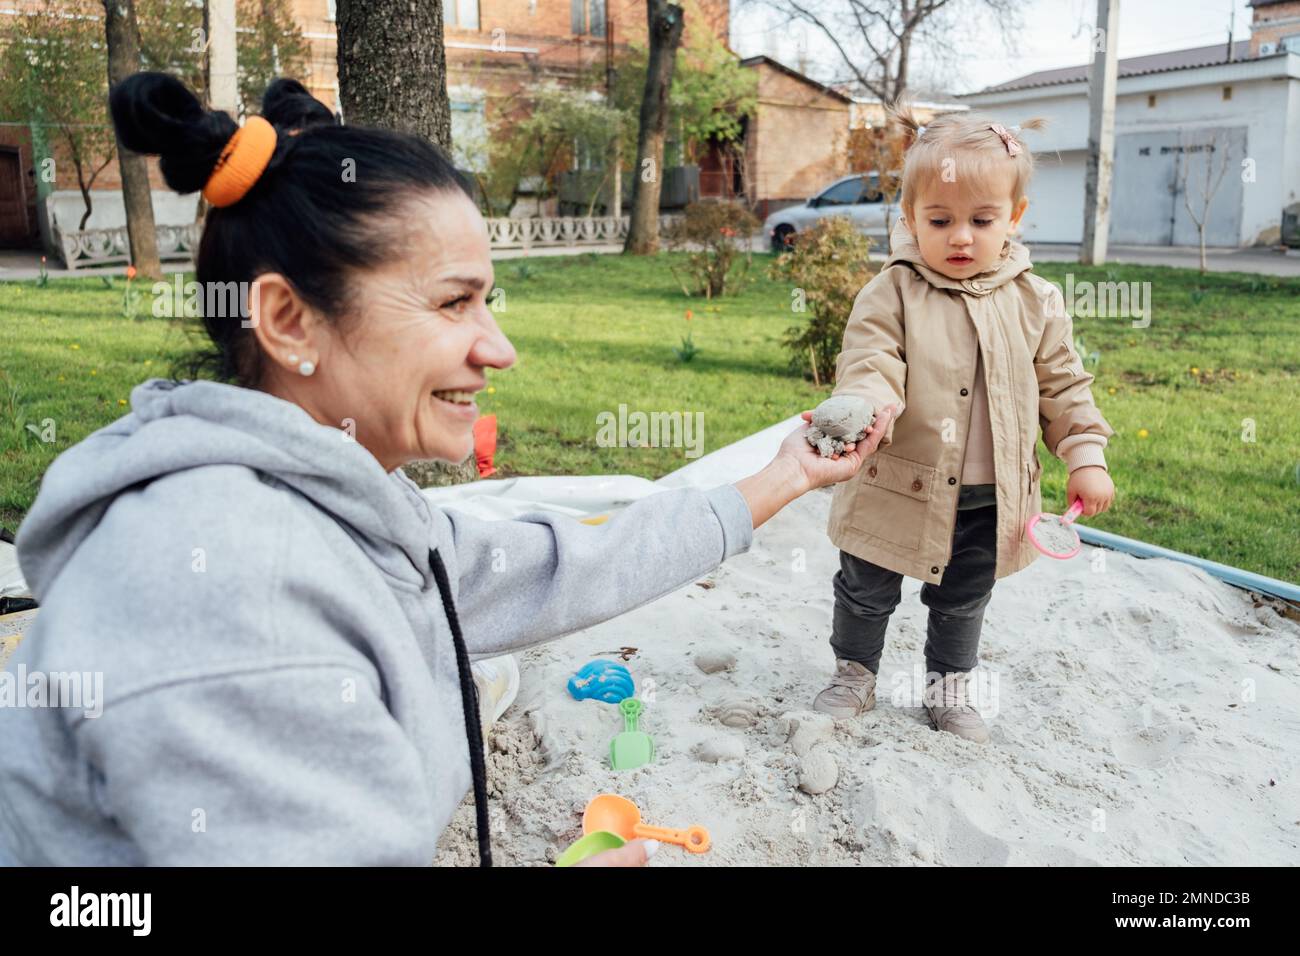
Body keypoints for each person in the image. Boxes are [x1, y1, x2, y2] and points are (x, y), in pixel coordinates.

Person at [0, 74, 883, 867]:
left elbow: (534, 566)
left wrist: (783, 479)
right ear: (289, 321)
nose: (497, 348)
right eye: (454, 301)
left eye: (487, 301)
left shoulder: (340, 499)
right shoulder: (232, 588)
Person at [812, 107, 1116, 744]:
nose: (960, 238)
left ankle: (948, 690)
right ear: (908, 219)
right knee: (866, 587)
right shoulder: (892, 292)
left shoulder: (1036, 299)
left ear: (1015, 216)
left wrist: (1084, 451)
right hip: (896, 482)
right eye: (940, 220)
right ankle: (853, 672)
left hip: (989, 497)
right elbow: (871, 359)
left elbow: (1063, 384)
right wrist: (866, 403)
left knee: (962, 601)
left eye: (981, 221)